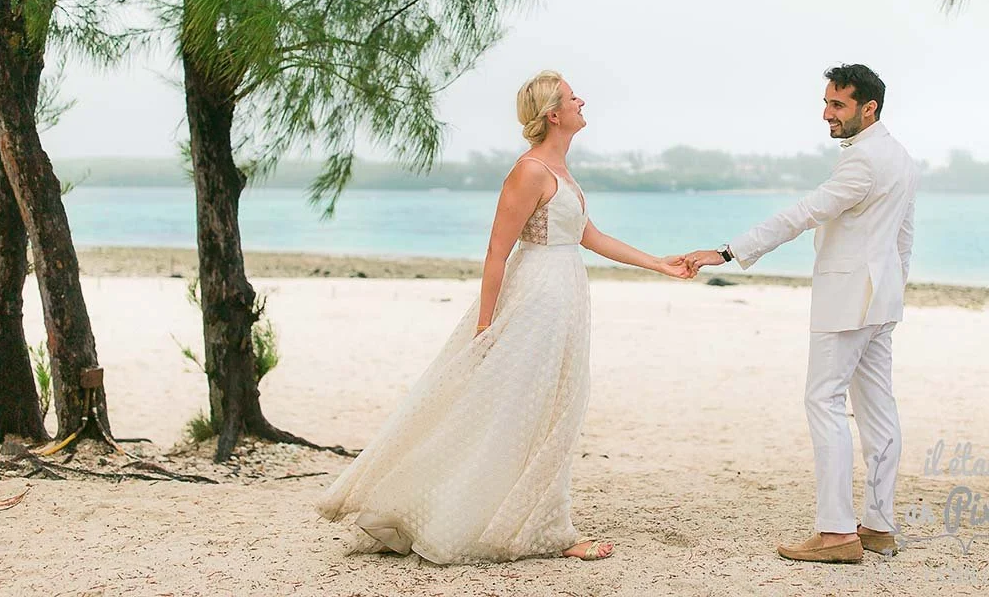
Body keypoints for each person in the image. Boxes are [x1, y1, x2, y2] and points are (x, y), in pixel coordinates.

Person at [316, 69, 692, 564]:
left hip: (566, 298)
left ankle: (530, 516)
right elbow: (497, 250)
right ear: (553, 115)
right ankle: (548, 530)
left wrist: (658, 263)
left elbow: (588, 235)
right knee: (522, 411)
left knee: (557, 408)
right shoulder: (529, 170)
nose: (582, 99)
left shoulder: (562, 172)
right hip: (535, 299)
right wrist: (484, 324)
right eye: (570, 96)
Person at [684, 64, 919, 563]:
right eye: (827, 102)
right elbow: (904, 237)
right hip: (880, 302)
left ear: (868, 108)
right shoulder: (899, 156)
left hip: (848, 300)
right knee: (879, 410)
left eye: (837, 105)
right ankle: (878, 525)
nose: (826, 114)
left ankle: (836, 533)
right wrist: (895, 292)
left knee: (824, 403)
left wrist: (727, 252)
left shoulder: (863, 163)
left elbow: (802, 214)